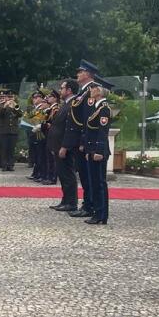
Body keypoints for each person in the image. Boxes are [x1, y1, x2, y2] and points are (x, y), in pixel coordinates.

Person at [62, 62, 98, 217]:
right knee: (83, 175)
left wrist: (84, 141)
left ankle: (89, 206)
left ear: (88, 74)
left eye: (80, 71)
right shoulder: (83, 92)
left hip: (83, 140)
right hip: (77, 139)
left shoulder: (91, 90)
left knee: (86, 176)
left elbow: (89, 119)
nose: (78, 74)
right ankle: (87, 204)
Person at [82, 82, 112, 225]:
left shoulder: (104, 109)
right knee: (95, 182)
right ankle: (98, 213)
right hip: (92, 150)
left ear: (99, 91)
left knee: (99, 183)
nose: (91, 90)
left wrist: (99, 151)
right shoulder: (97, 107)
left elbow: (102, 131)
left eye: (93, 88)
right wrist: (89, 150)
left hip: (99, 151)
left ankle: (101, 214)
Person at [48, 80, 80, 212]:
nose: (60, 91)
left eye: (62, 88)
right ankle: (65, 200)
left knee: (67, 175)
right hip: (58, 145)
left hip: (64, 146)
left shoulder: (73, 105)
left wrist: (65, 146)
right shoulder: (65, 104)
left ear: (69, 90)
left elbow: (70, 128)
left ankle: (71, 202)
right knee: (62, 174)